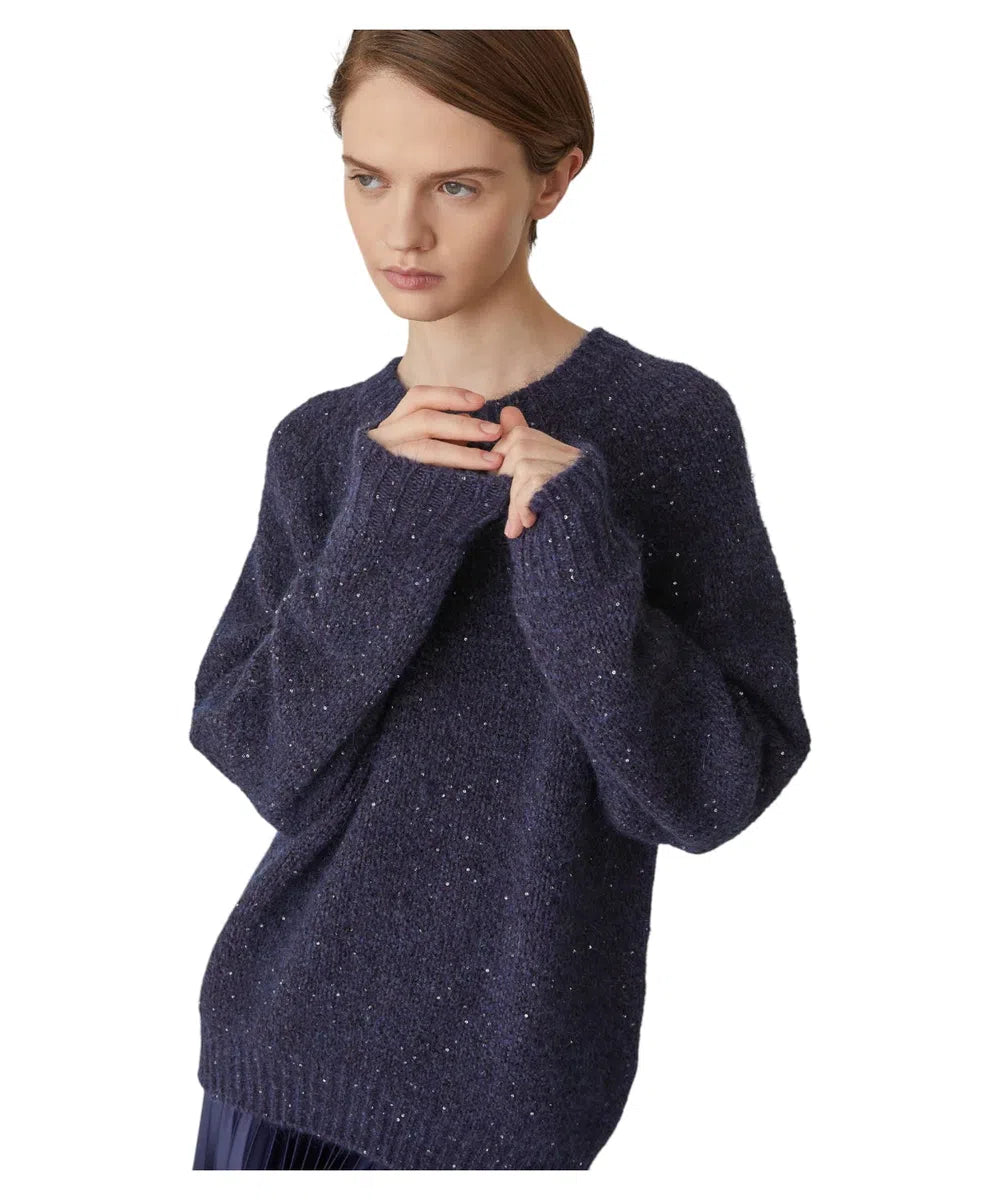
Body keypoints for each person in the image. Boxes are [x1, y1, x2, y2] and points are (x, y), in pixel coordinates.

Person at [189, 30, 811, 1171]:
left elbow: (711, 795)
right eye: (366, 178)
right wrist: (383, 534)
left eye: (458, 186)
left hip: (511, 1104)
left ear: (555, 177)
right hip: (276, 1059)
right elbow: (257, 754)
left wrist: (579, 556)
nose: (401, 233)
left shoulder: (666, 426)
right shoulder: (324, 444)